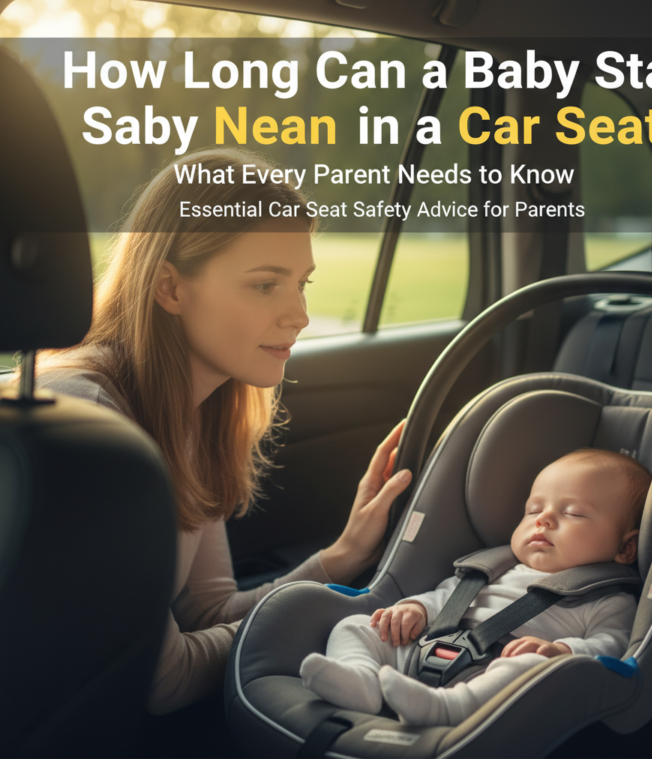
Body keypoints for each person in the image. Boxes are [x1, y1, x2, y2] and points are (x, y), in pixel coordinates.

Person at [23, 147, 412, 715]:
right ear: (171, 288)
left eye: (301, 283)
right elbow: (163, 681)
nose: (299, 313)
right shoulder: (93, 424)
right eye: (264, 284)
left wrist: (341, 558)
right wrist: (309, 617)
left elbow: (208, 615)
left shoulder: (190, 411)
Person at [300, 448, 651, 727]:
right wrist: (417, 609)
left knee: (527, 671)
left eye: (573, 513)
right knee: (358, 626)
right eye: (533, 510)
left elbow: (614, 643)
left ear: (625, 549)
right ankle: (361, 681)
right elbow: (446, 598)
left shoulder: (609, 598)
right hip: (429, 646)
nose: (543, 519)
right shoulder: (491, 568)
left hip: (501, 670)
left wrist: (560, 652)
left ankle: (448, 709)